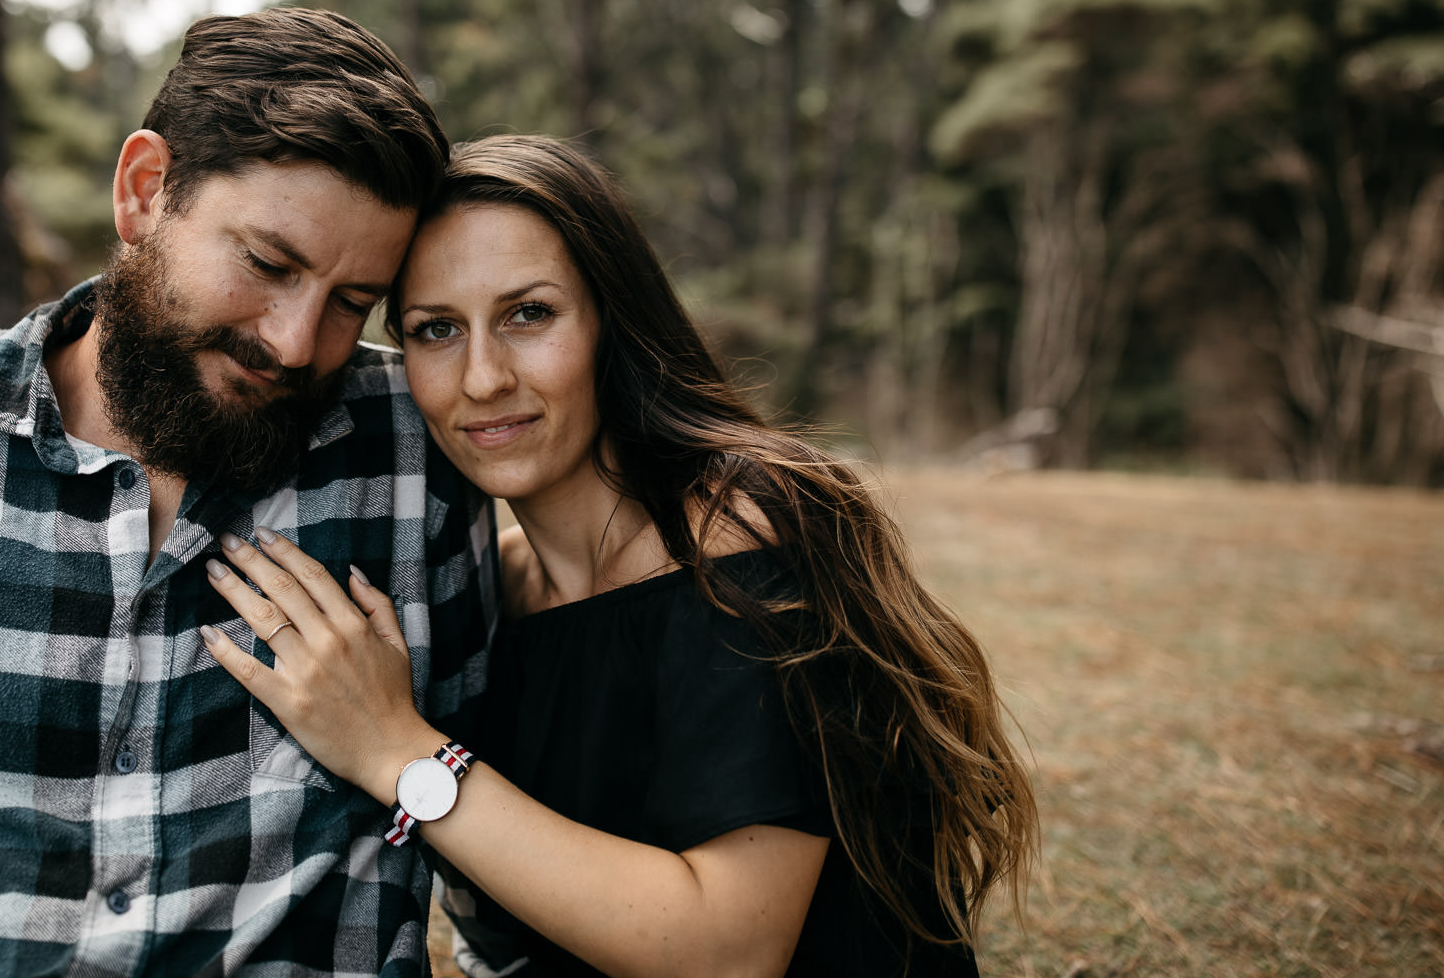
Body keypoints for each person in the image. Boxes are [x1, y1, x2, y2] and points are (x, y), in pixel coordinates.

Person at [0, 8, 496, 978]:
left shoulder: (418, 452)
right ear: (143, 190)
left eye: (348, 301)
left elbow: (489, 857)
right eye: (267, 263)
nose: (296, 342)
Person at [198, 136, 1039, 977]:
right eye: (436, 330)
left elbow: (730, 952)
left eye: (529, 314)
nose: (483, 377)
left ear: (613, 320)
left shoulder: (737, 538)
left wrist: (394, 750)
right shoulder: (501, 589)